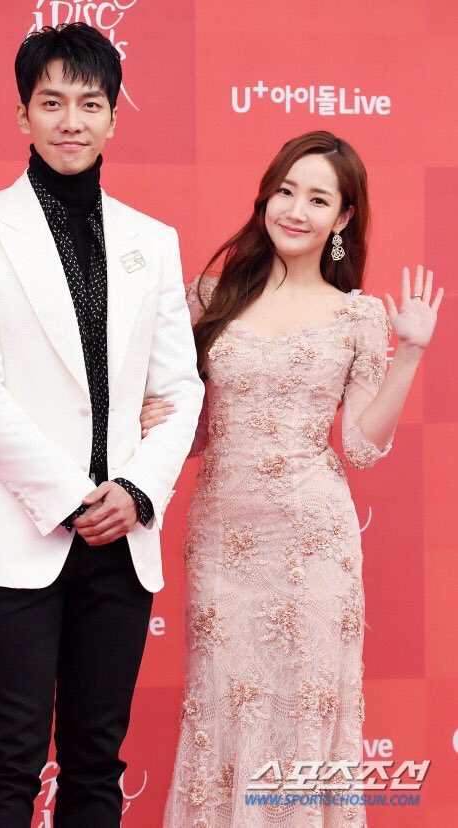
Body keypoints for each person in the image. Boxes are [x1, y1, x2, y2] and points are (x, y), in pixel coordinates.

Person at [0, 22, 204, 828]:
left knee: (96, 764)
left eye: (90, 103)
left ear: (114, 116)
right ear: (23, 115)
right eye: (52, 103)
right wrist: (75, 496)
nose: (71, 121)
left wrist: (137, 491)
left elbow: (179, 389)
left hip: (122, 539)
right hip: (19, 528)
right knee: (9, 758)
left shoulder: (153, 241)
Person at [140, 131, 443, 827]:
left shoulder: (358, 315)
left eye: (317, 199)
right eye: (285, 191)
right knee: (223, 705)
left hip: (314, 547)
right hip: (225, 541)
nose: (296, 210)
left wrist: (409, 354)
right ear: (266, 198)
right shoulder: (210, 297)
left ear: (343, 218)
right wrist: (158, 417)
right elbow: (193, 432)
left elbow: (360, 449)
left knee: (304, 711)